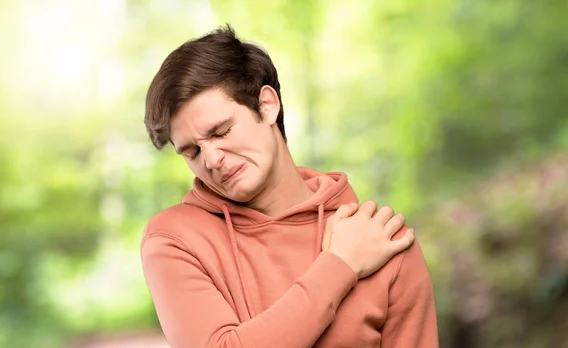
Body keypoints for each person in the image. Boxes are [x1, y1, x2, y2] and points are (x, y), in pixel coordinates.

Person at [141, 25, 438, 348]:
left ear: (267, 105)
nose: (211, 160)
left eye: (221, 132)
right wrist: (340, 265)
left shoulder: (379, 238)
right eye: (193, 152)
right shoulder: (175, 238)